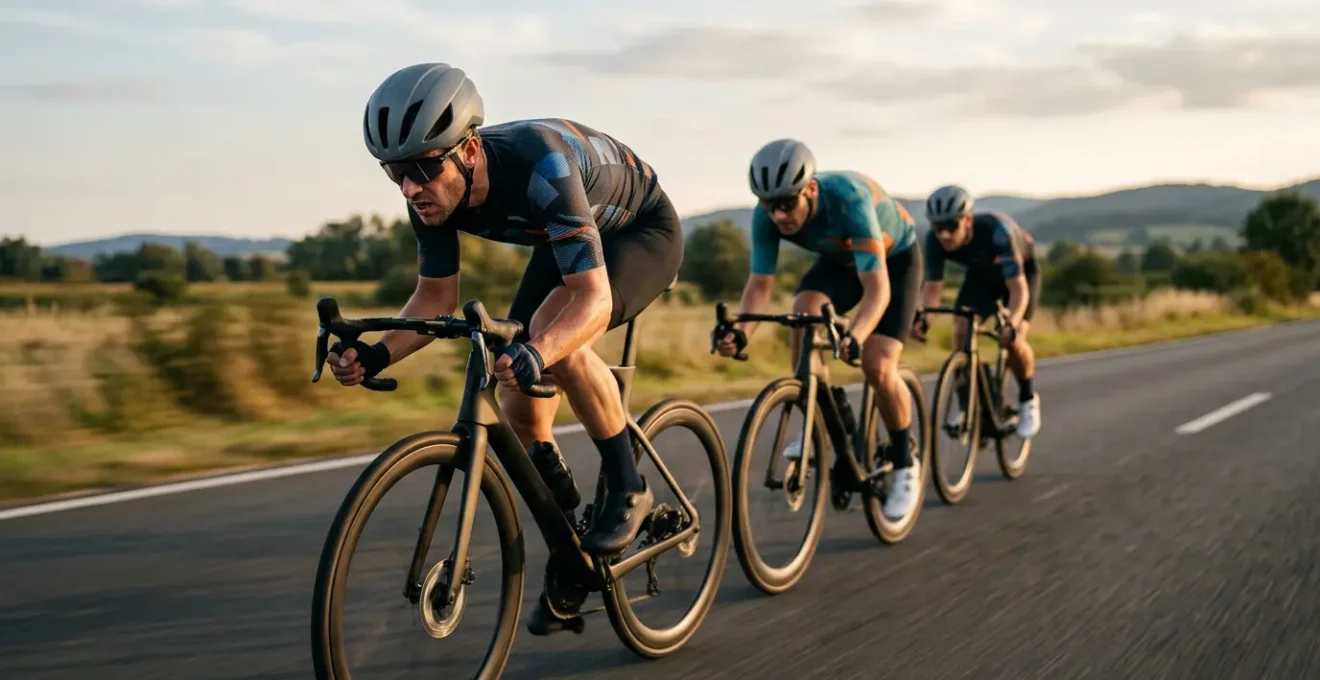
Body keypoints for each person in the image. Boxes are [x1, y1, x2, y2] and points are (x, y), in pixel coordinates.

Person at [325, 63, 684, 627]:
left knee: (554, 341)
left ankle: (630, 485)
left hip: (640, 232)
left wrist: (541, 350)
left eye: (422, 167)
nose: (411, 186)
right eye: (395, 172)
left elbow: (591, 301)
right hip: (565, 233)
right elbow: (435, 299)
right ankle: (573, 545)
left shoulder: (542, 164)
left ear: (468, 150)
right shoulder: (430, 197)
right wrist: (374, 353)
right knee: (519, 411)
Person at [713, 139, 924, 521]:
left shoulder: (848, 198)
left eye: (786, 204)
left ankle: (904, 462)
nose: (778, 215)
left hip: (894, 263)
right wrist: (742, 332)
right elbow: (760, 286)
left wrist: (855, 337)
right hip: (841, 263)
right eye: (768, 205)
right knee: (804, 310)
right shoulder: (767, 217)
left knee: (877, 364)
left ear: (810, 189)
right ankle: (816, 419)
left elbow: (877, 289)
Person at [913, 184, 1041, 439]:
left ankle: (1028, 399)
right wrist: (925, 320)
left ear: (967, 220)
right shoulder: (934, 241)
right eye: (938, 228)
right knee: (961, 331)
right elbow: (933, 291)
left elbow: (1018, 291)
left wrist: (1013, 324)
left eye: (951, 226)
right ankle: (967, 406)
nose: (945, 235)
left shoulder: (997, 232)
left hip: (1020, 277)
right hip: (982, 277)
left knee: (1013, 341)